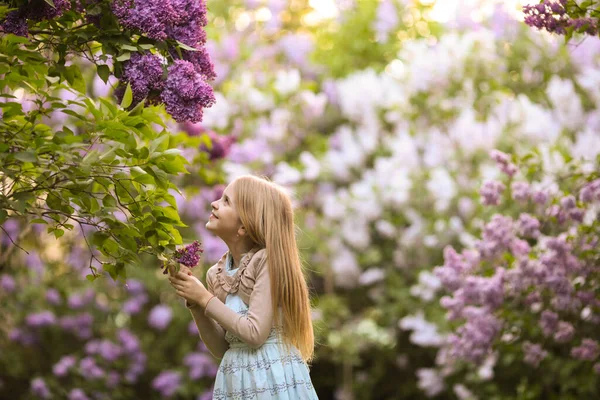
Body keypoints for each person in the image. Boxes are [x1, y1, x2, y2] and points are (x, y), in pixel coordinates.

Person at [168, 175, 319, 399]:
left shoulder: (267, 261)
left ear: (243, 227)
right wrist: (196, 304)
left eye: (226, 201)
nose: (214, 203)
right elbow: (222, 348)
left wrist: (204, 299)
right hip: (237, 381)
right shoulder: (216, 275)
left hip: (272, 379)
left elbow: (255, 333)